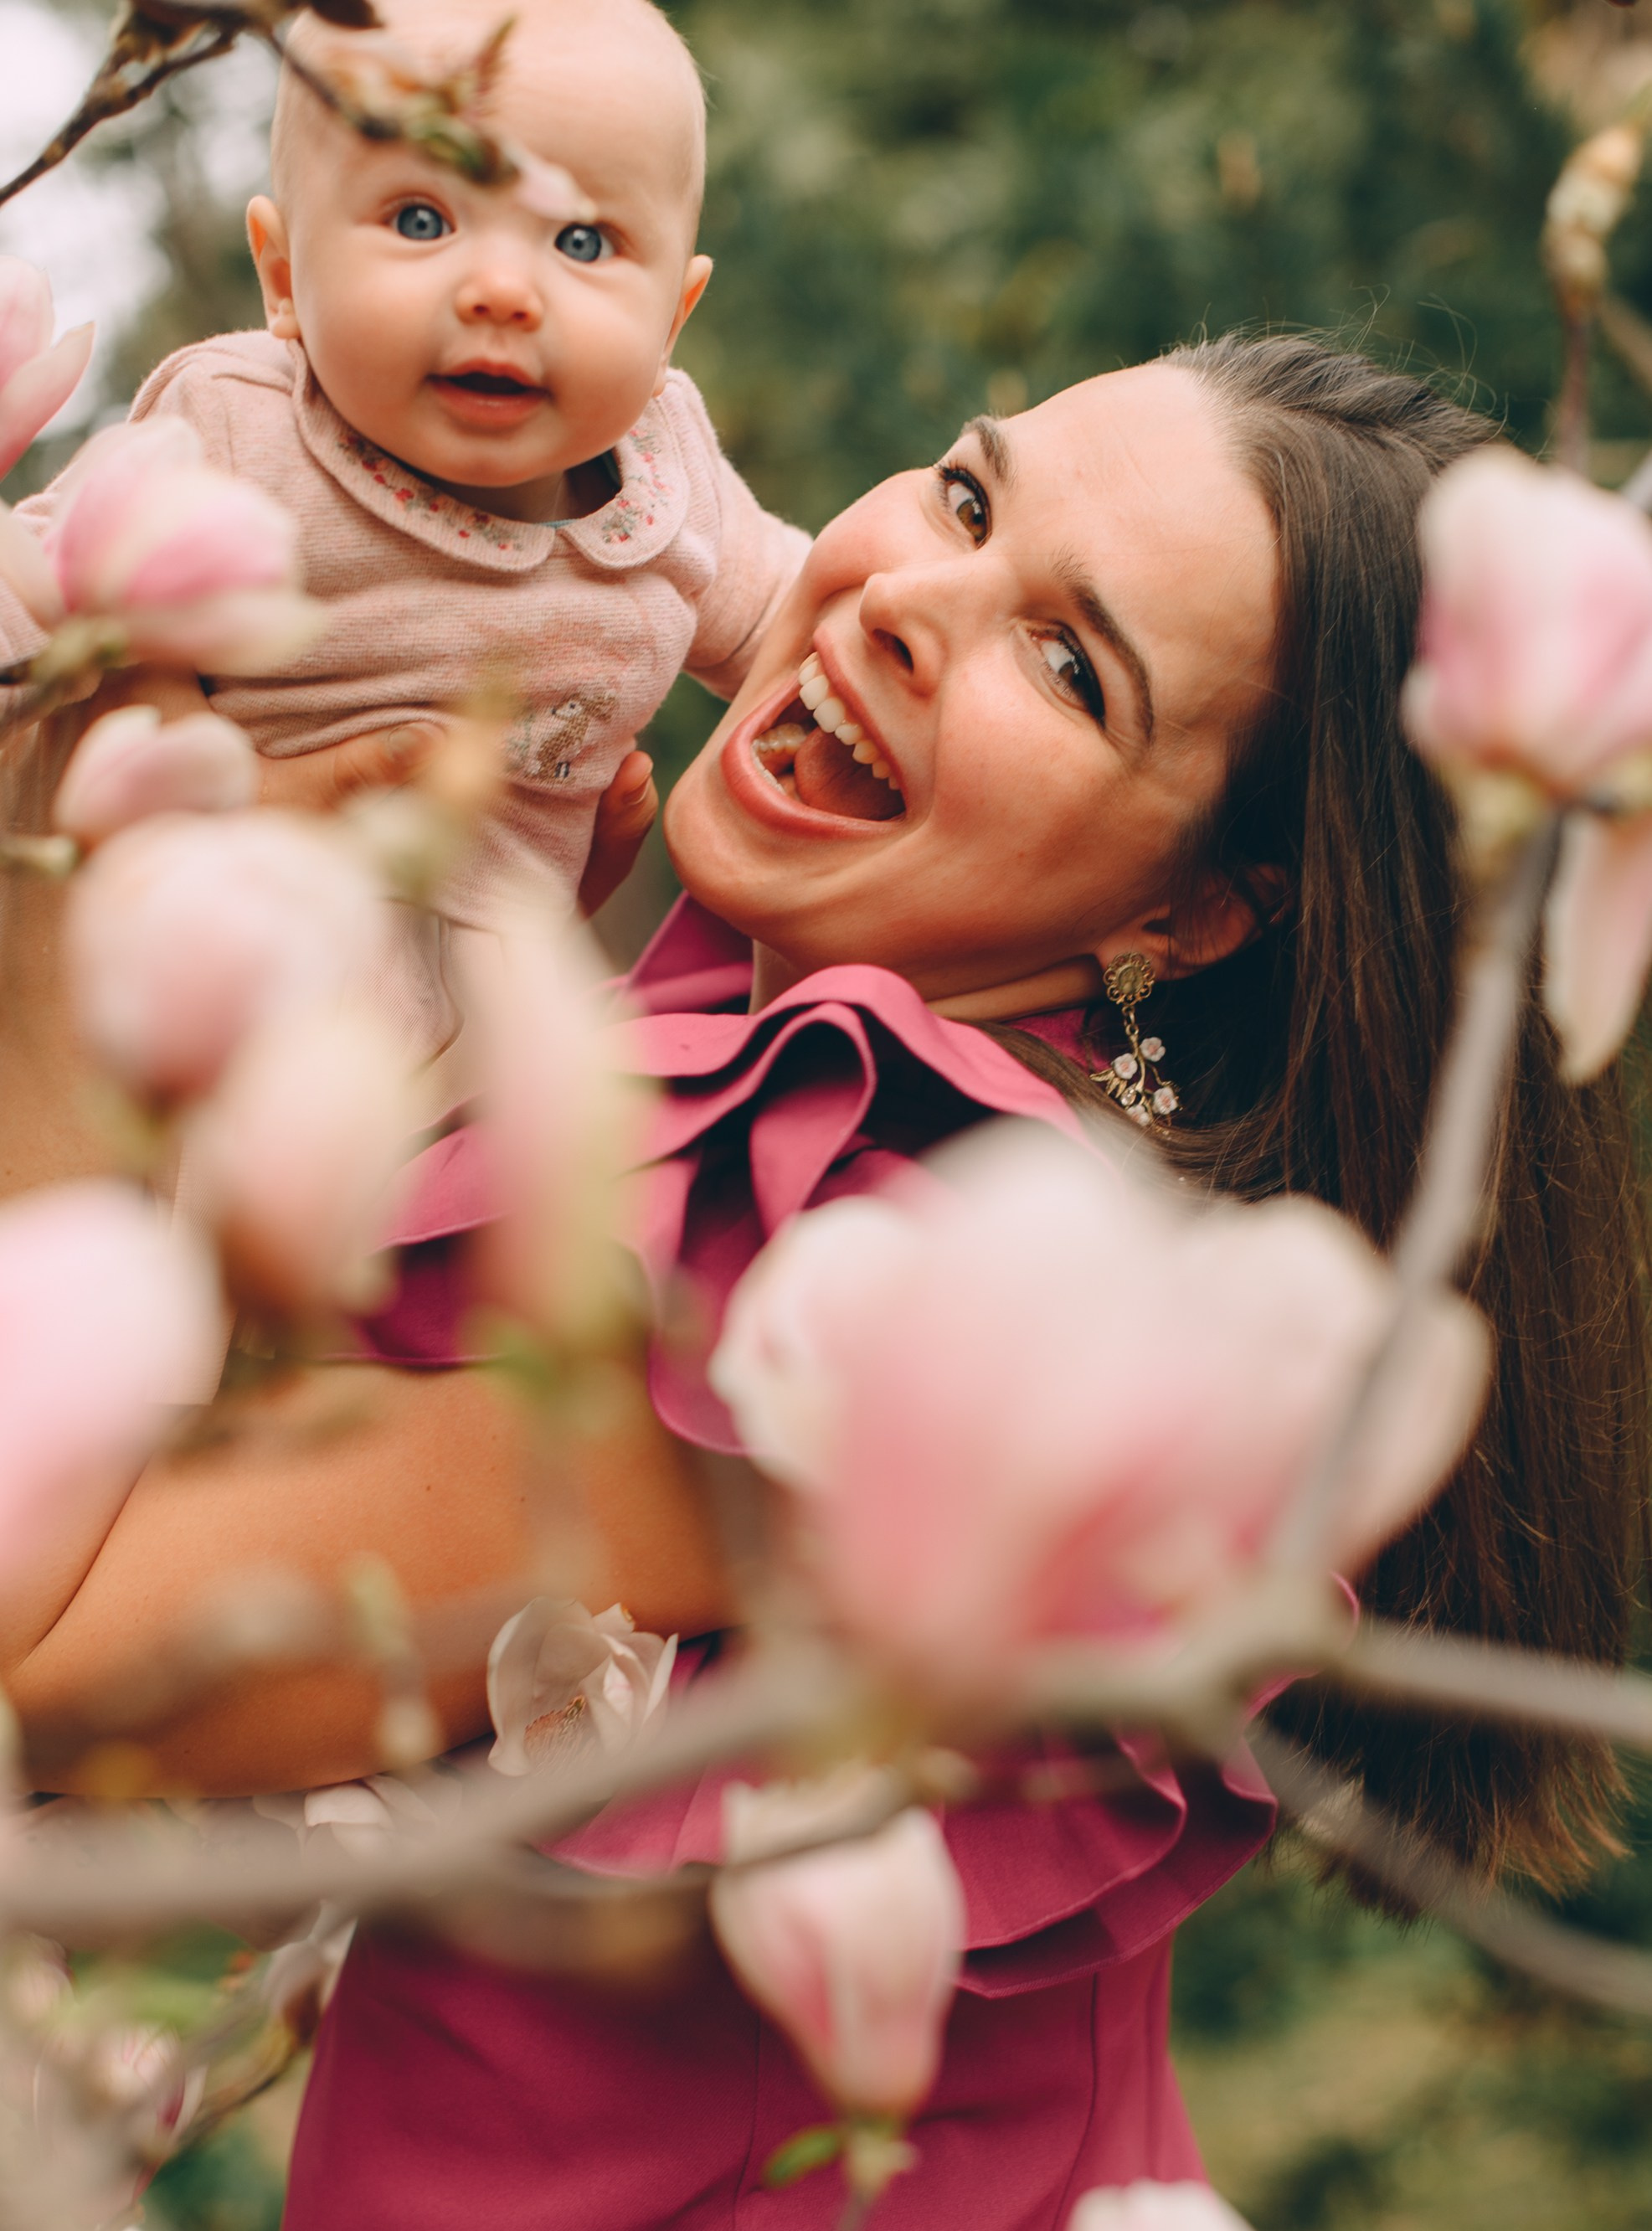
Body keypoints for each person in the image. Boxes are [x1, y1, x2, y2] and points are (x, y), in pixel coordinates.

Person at [0, 336, 1644, 2227]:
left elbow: (55, 1658)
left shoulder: (843, 1244)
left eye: (1063, 659)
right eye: (963, 492)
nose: (900, 604)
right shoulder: (860, 1132)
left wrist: (57, 917)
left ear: (1185, 911)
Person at [3, 0, 808, 935]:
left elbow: (805, 624)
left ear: (673, 316)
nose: (502, 292)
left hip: (488, 1029)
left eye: (580, 241)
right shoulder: (234, 430)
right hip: (201, 957)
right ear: (284, 278)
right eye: (422, 219)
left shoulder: (675, 483)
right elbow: (31, 591)